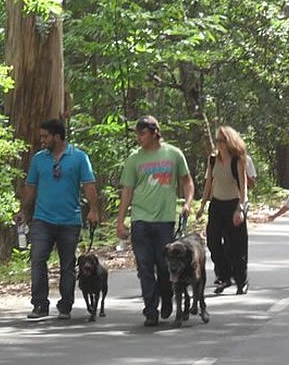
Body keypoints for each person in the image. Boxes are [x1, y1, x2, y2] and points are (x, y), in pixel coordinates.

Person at [15, 119, 99, 320]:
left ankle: (65, 306)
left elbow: (89, 185)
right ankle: (40, 305)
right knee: (37, 260)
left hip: (70, 220)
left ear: (57, 136)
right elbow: (31, 187)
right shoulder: (38, 159)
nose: (41, 140)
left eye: (45, 136)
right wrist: (23, 211)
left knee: (67, 265)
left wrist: (94, 209)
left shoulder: (79, 157)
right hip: (42, 219)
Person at [116, 115, 194, 326]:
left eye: (142, 133)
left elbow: (187, 181)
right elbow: (127, 190)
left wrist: (187, 203)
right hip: (140, 220)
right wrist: (121, 220)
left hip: (164, 219)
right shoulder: (134, 159)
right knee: (144, 266)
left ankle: (166, 297)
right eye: (137, 134)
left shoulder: (173, 154)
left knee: (164, 265)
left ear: (154, 132)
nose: (139, 138)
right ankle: (150, 309)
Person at [196, 126, 249, 295]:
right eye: (217, 140)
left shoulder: (237, 161)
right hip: (217, 205)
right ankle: (224, 276)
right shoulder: (212, 160)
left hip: (233, 204)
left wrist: (239, 209)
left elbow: (243, 187)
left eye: (222, 140)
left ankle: (241, 280)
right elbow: (209, 183)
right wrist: (202, 205)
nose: (218, 144)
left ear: (229, 142)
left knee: (236, 246)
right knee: (213, 241)